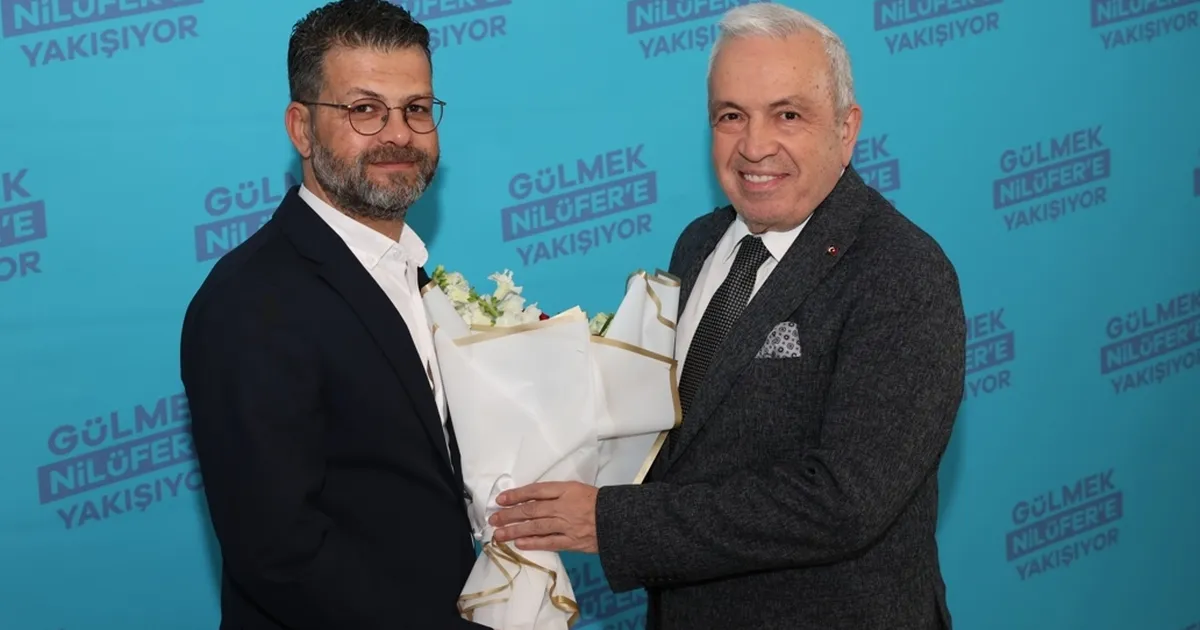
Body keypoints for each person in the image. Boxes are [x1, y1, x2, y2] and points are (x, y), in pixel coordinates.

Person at [488, 4, 966, 629]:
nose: (755, 145)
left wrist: (610, 522)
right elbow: (677, 440)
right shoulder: (699, 243)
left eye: (788, 115)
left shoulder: (901, 271)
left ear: (846, 130)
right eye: (731, 116)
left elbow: (842, 502)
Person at [179, 1, 487, 628]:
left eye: (416, 108)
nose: (398, 134)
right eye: (364, 110)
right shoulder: (250, 301)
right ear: (301, 128)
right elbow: (279, 555)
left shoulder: (412, 276)